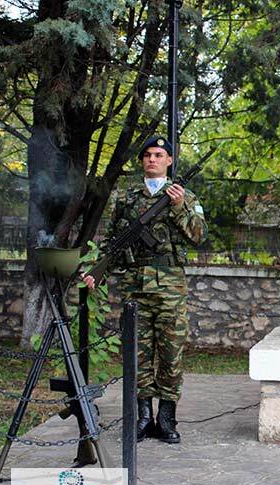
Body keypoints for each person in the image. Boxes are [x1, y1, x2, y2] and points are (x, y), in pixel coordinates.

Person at [83, 135, 207, 444]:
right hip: (134, 287)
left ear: (169, 161)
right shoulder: (127, 198)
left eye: (159, 155)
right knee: (137, 354)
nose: (152, 159)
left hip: (170, 289)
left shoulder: (184, 196)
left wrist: (179, 208)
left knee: (170, 354)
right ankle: (142, 416)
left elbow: (199, 236)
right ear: (143, 161)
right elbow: (113, 242)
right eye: (148, 155)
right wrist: (97, 272)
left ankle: (166, 418)